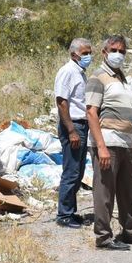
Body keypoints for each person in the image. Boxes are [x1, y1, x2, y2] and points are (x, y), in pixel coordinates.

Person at [85, 35, 132, 250]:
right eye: (114, 49)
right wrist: (101, 147)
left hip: (125, 142)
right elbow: (91, 112)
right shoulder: (98, 77)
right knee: (105, 190)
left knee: (129, 189)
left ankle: (131, 231)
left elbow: (126, 115)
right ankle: (104, 236)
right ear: (104, 52)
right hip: (107, 141)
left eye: (122, 51)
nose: (118, 54)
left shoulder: (122, 79)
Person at [55, 38, 93, 228]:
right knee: (71, 171)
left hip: (81, 125)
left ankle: (71, 210)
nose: (88, 56)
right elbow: (62, 102)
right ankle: (64, 215)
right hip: (73, 126)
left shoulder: (80, 72)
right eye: (85, 53)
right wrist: (71, 130)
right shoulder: (67, 71)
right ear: (73, 54)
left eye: (89, 53)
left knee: (79, 171)